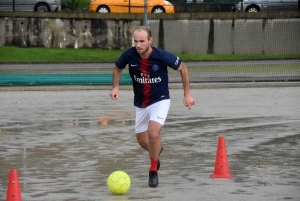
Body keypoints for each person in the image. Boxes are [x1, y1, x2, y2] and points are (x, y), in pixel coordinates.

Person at [109, 26, 195, 188]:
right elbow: (117, 68)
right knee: (142, 141)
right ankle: (156, 153)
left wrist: (187, 94)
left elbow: (183, 68)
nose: (138, 45)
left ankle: (153, 170)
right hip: (141, 103)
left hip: (160, 100)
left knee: (153, 133)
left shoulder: (161, 56)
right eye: (135, 41)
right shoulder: (129, 54)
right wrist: (115, 87)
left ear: (150, 40)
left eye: (142, 41)